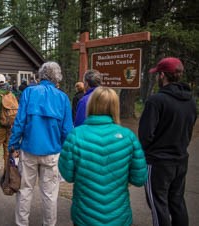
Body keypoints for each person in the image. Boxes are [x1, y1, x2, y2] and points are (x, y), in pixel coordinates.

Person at [59, 87, 147, 226]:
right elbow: (139, 178)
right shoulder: (128, 137)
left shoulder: (76, 135)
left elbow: (67, 175)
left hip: (85, 216)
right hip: (118, 216)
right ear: (115, 107)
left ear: (91, 105)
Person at [8, 62, 73, 226]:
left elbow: (19, 122)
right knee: (50, 194)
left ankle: (21, 223)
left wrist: (13, 145)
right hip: (52, 152)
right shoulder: (62, 97)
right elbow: (67, 130)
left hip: (29, 150)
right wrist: (64, 150)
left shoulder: (29, 92)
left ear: (41, 75)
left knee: (24, 190)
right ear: (57, 77)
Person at [138, 57, 197, 226]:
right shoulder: (191, 101)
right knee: (177, 201)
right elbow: (189, 129)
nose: (157, 77)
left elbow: (145, 135)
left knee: (158, 204)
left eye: (158, 74)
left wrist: (149, 153)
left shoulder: (156, 101)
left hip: (158, 163)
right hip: (180, 159)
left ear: (163, 75)